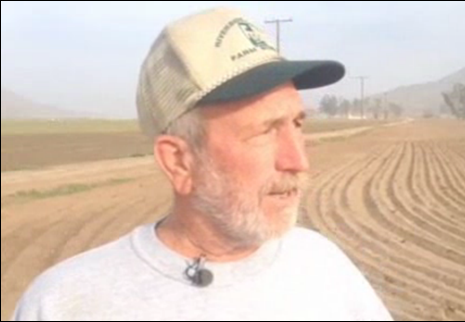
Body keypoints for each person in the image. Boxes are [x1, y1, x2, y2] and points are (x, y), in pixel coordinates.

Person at [12, 7, 393, 321]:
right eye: (265, 131)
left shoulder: (325, 269)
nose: (298, 160)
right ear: (179, 161)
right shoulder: (66, 304)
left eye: (297, 123)